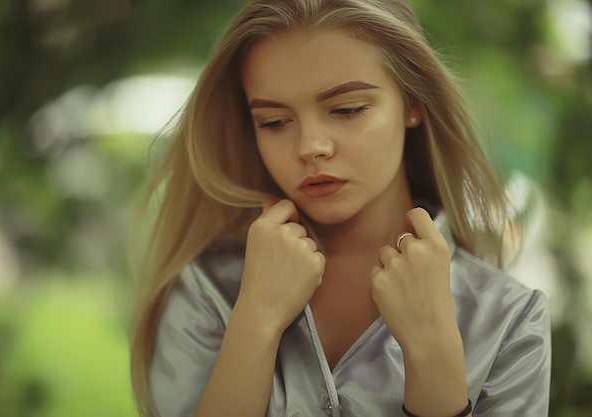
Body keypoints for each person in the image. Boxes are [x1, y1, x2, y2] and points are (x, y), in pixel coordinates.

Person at [129, 0, 551, 416]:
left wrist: (433, 361)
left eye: (347, 109)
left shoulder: (511, 321)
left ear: (413, 103)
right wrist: (255, 321)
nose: (310, 147)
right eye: (274, 121)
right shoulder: (207, 291)